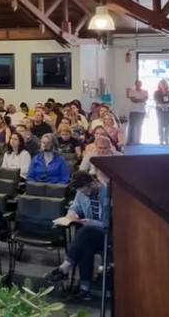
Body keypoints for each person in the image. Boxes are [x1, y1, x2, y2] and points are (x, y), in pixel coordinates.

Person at [45, 171, 110, 301]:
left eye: (86, 191)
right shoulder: (81, 193)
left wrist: (90, 222)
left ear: (93, 183)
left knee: (84, 232)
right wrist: (72, 214)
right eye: (82, 192)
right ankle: (85, 289)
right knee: (86, 244)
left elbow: (107, 223)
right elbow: (74, 208)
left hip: (109, 233)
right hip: (91, 235)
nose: (84, 194)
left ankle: (65, 268)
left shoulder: (107, 193)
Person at [126, 80, 149, 145]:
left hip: (142, 111)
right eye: (137, 84)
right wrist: (142, 100)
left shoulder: (145, 91)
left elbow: (145, 98)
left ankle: (138, 141)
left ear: (141, 84)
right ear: (135, 84)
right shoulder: (132, 91)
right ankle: (130, 141)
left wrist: (138, 99)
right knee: (132, 126)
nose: (138, 85)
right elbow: (133, 100)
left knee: (139, 126)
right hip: (133, 110)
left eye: (140, 84)